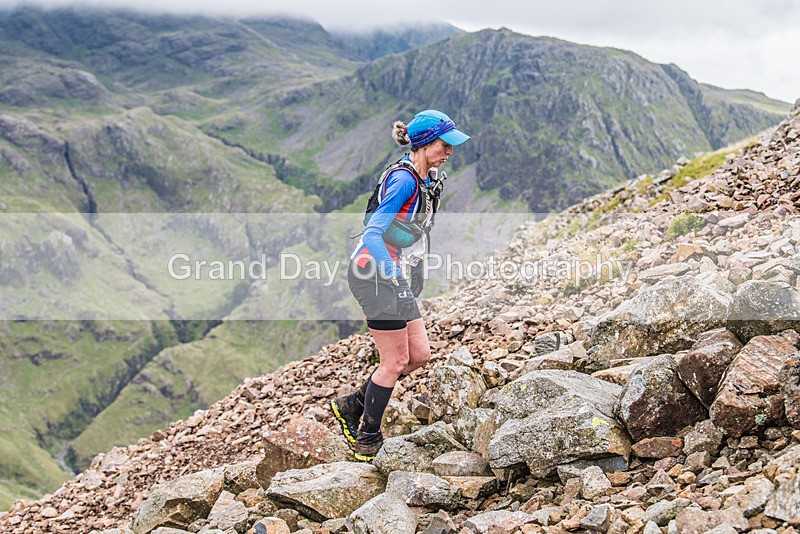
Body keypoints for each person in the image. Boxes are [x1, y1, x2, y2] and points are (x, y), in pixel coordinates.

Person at [330, 109, 470, 461]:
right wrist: (394, 275)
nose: (450, 151)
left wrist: (412, 269)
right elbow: (374, 233)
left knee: (419, 355)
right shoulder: (405, 181)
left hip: (394, 274)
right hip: (373, 273)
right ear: (424, 144)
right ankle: (367, 438)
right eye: (444, 145)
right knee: (394, 361)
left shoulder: (427, 177)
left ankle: (353, 405)